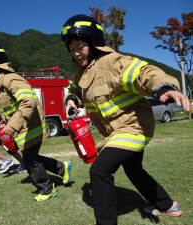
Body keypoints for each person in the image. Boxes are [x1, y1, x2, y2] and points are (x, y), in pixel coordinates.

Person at [61, 14, 189, 224]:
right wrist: (72, 99)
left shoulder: (112, 62)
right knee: (134, 170)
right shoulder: (81, 74)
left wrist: (163, 87)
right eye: (72, 49)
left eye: (80, 46)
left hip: (134, 127)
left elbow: (144, 73)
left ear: (93, 42)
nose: (76, 53)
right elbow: (74, 89)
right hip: (116, 132)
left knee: (100, 171)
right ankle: (167, 205)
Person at [0, 43, 72, 201]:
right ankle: (61, 168)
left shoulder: (11, 79)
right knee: (31, 158)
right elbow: (7, 106)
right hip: (23, 128)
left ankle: (47, 189)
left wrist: (13, 124)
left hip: (30, 126)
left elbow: (28, 102)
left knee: (29, 161)